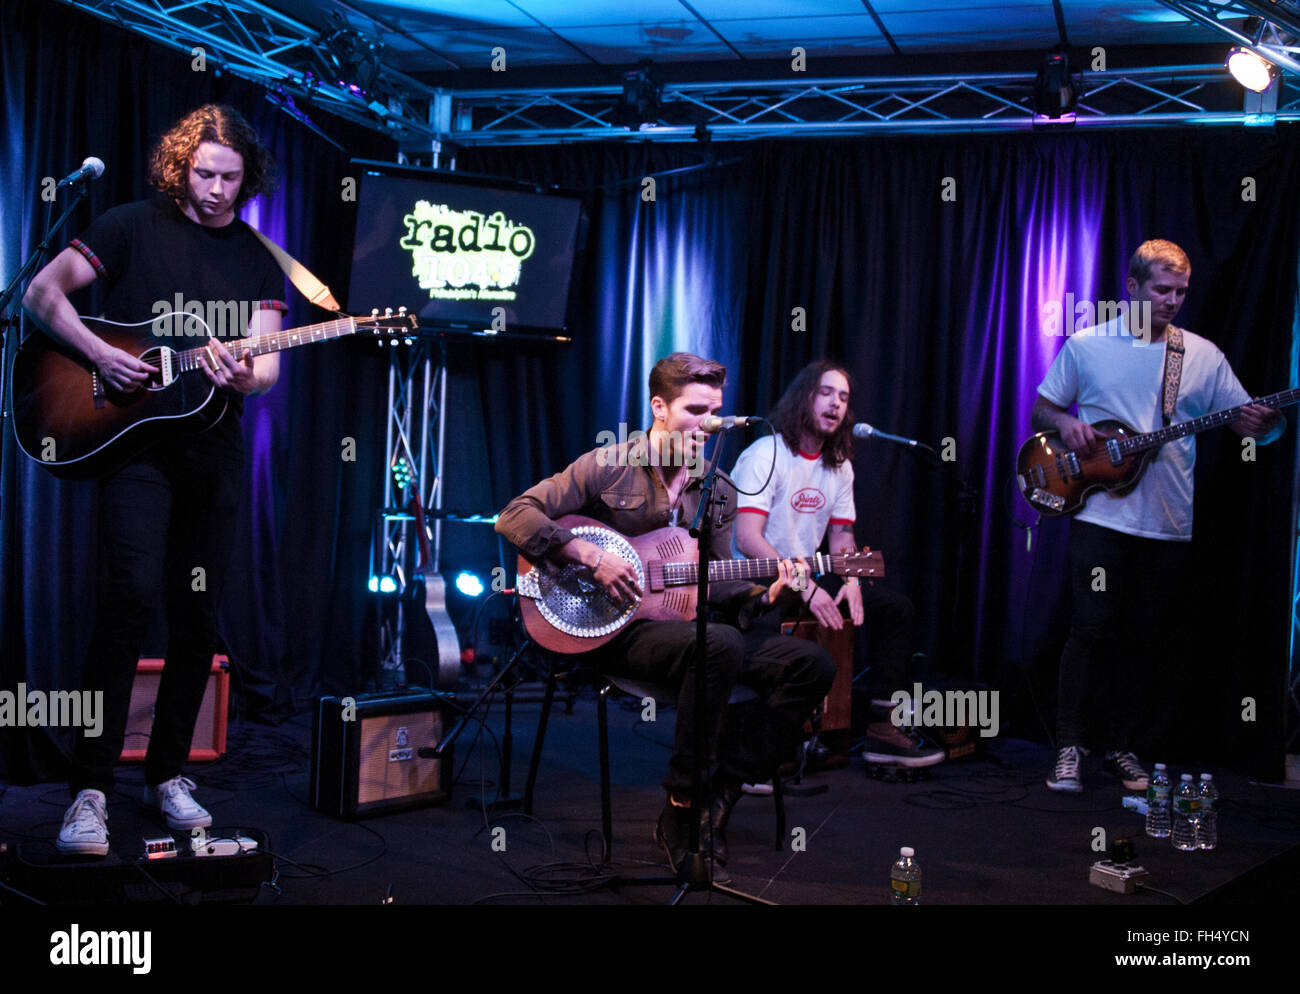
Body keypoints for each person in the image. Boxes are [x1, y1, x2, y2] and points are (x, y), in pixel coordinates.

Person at [23, 105, 286, 853]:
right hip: (135, 449)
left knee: (197, 616)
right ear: (181, 166)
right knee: (128, 599)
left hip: (213, 452)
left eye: (231, 178)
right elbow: (43, 294)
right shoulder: (131, 225)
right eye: (204, 173)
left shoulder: (257, 259)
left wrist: (244, 374)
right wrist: (100, 355)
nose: (216, 190)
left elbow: (265, 367)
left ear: (248, 179)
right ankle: (89, 788)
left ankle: (167, 774)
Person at [496, 352, 835, 874]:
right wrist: (589, 554)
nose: (709, 424)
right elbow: (514, 515)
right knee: (719, 645)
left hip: (688, 630)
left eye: (717, 412)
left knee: (812, 664)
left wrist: (773, 595)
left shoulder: (719, 487)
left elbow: (723, 584)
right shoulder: (609, 464)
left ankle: (720, 792)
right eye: (696, 410)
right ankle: (683, 807)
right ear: (659, 407)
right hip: (611, 626)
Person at [1033, 239, 1282, 793]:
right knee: (1092, 629)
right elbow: (1042, 407)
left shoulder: (1201, 355)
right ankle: (1070, 746)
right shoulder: (1088, 344)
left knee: (1143, 639)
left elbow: (1252, 424)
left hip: (1168, 520)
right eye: (1162, 290)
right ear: (1133, 288)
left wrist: (1263, 426)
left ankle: (1122, 747)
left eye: (1181, 292)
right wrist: (1066, 424)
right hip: (1100, 516)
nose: (1172, 301)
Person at [730, 360, 943, 768]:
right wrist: (804, 586)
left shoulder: (839, 463)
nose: (835, 404)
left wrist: (854, 581)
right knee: (770, 628)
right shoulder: (766, 453)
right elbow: (747, 539)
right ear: (803, 398)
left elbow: (842, 538)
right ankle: (759, 750)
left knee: (894, 607)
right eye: (826, 393)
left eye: (843, 398)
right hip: (757, 582)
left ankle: (882, 728)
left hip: (807, 577)